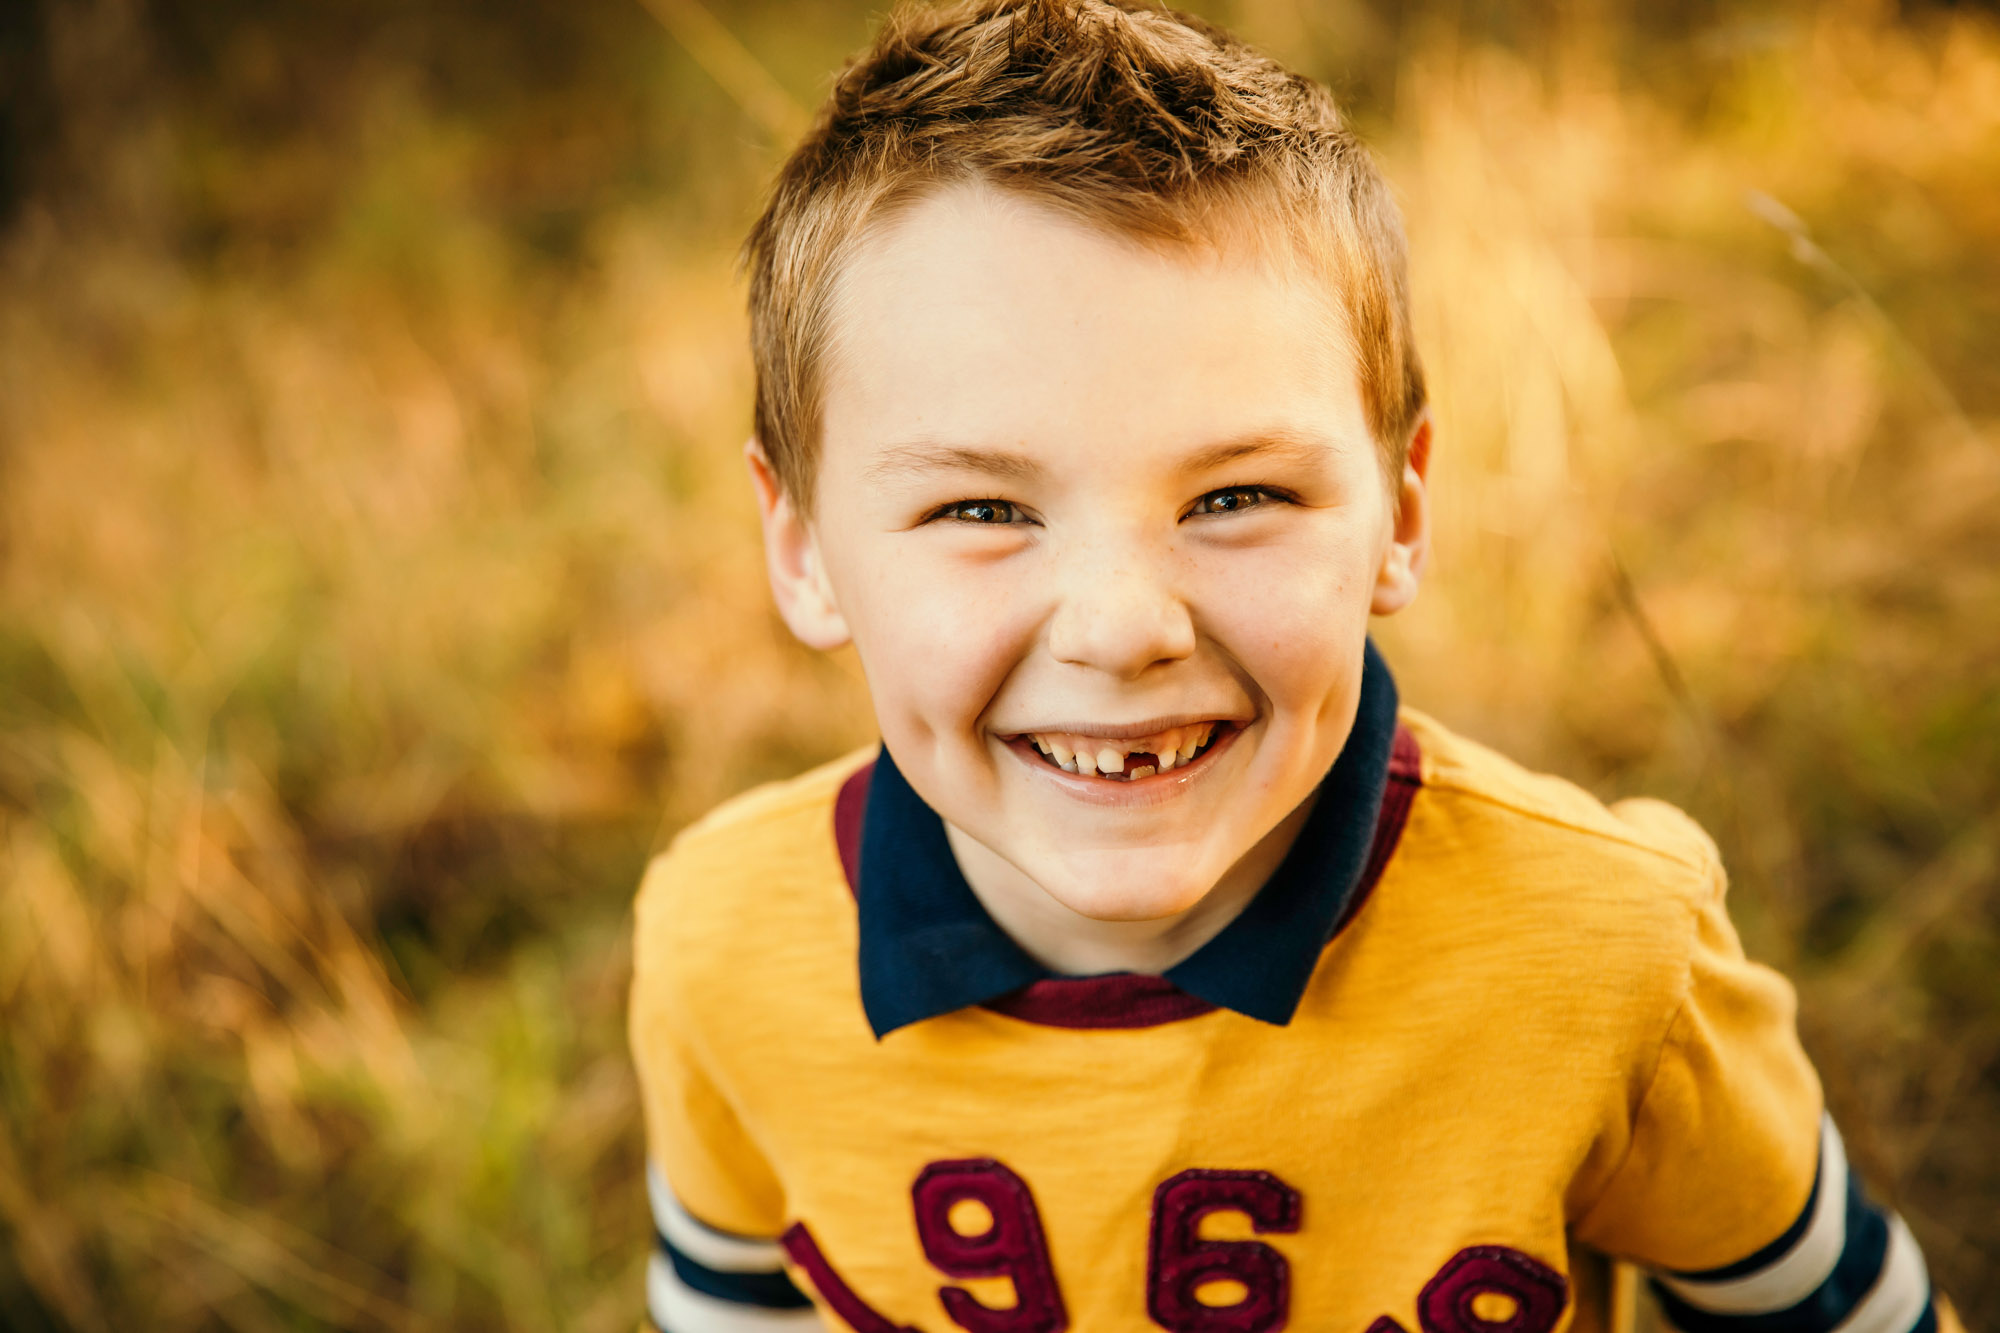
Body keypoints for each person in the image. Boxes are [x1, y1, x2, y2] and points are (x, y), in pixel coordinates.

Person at [626, 2, 1960, 1331]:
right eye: (982, 510)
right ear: (802, 552)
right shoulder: (722, 947)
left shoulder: (1610, 962)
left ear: (1403, 510)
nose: (1119, 625)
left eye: (1237, 495)